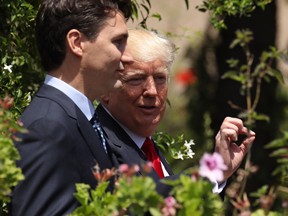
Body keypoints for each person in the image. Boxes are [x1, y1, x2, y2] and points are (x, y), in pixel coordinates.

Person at [10, 0, 132, 215]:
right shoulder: (47, 127)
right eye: (118, 42)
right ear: (76, 42)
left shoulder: (78, 119)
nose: (127, 56)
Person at [97, 29, 256, 191]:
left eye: (160, 78)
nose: (152, 91)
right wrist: (211, 174)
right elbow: (151, 202)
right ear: (104, 90)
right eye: (136, 79)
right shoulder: (97, 144)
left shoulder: (144, 144)